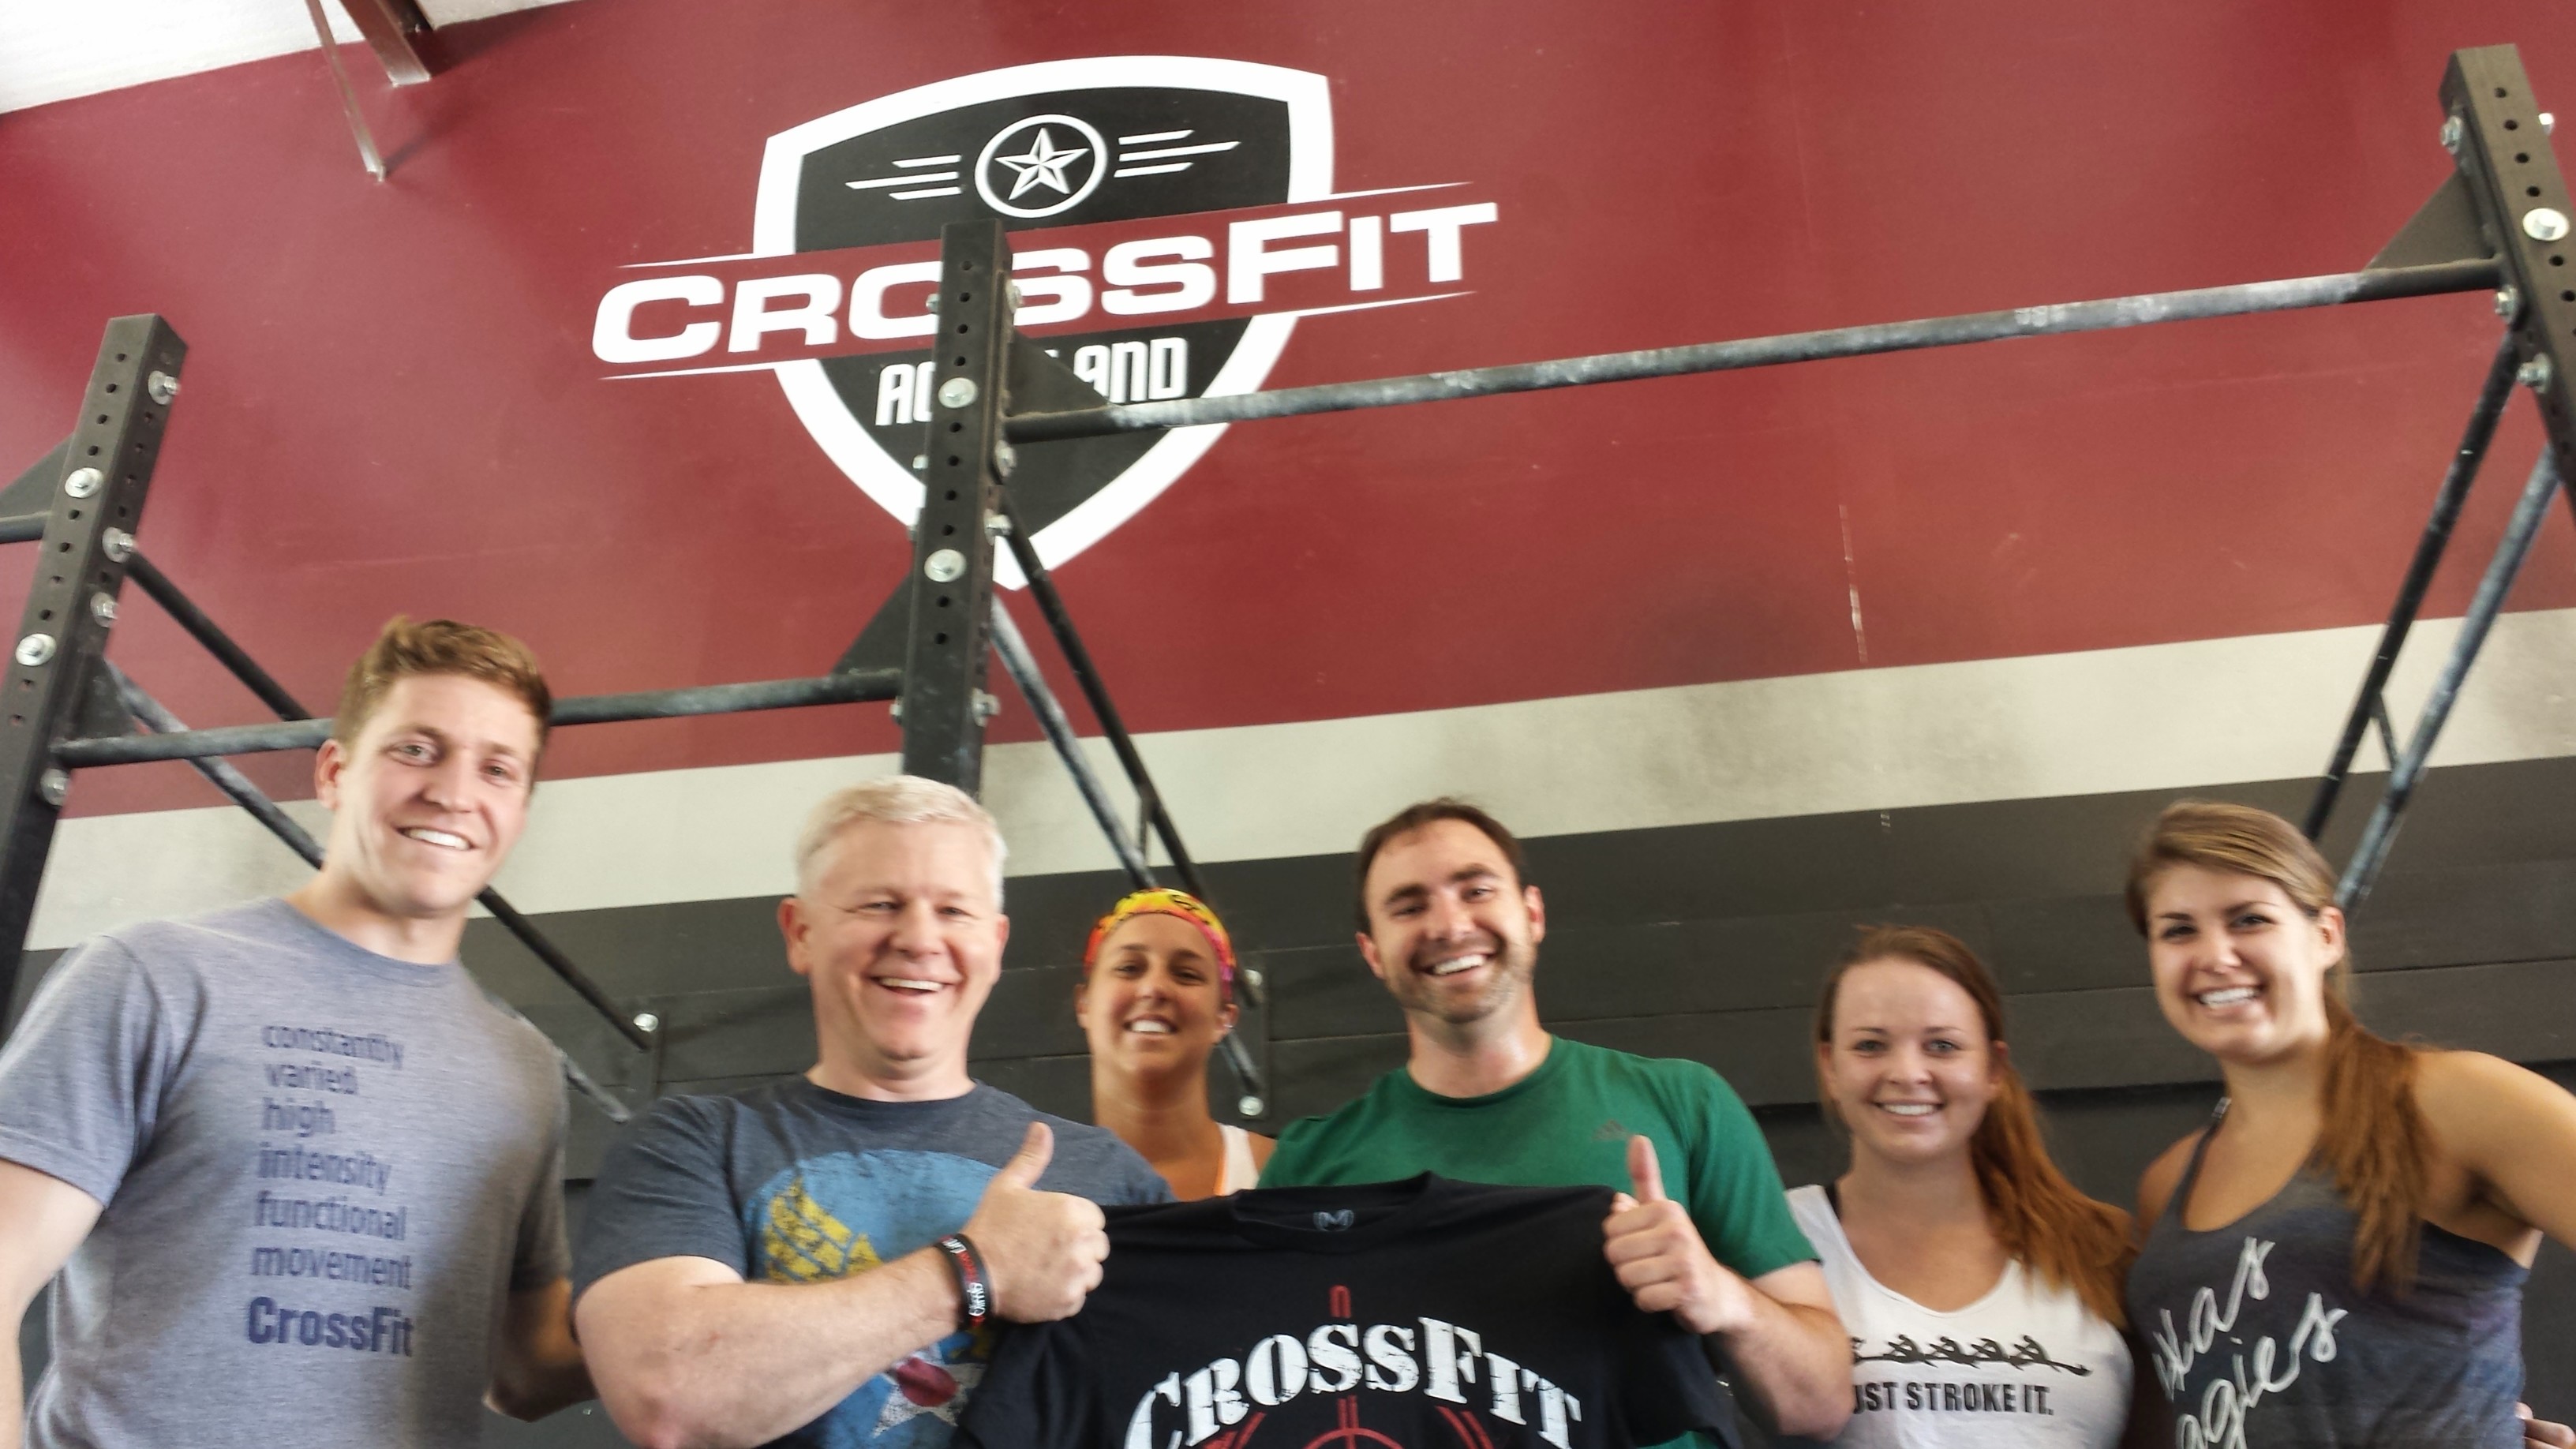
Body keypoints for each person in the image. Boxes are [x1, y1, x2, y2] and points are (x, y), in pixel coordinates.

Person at [0, 617, 592, 1449]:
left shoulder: (523, 1069)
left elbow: (524, 1371)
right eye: (417, 750)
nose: (454, 793)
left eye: (497, 769)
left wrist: (734, 1306)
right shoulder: (158, 978)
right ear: (335, 772)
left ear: (519, 810)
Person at [572, 775, 1169, 1449]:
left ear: (996, 944)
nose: (919, 939)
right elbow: (672, 1396)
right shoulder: (690, 1145)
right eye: (881, 904)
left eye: (954, 911)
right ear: (801, 932)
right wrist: (974, 1271)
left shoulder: (1114, 1179)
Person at [1260, 798, 1855, 1441]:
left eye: (1476, 890)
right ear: (1373, 952)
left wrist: (1720, 1295)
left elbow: (1820, 1403)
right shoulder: (1310, 1164)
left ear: (1533, 914)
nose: (1450, 925)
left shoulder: (1685, 1103)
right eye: (1409, 907)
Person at [2125, 800, 2576, 1449]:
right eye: (2178, 931)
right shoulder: (2167, 1183)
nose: (2216, 955)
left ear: (2326, 935)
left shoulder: (2455, 1102)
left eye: (2249, 919)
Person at [1796, 925, 2134, 1449]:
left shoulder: (2099, 1247)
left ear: (1993, 1069)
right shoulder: (1774, 1239)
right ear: (1830, 1067)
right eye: (1870, 1045)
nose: (1907, 1072)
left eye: (1942, 1046)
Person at [1076, 886, 1271, 1198]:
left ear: (1223, 1018)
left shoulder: (1277, 1172)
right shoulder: (1035, 1183)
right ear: (1084, 1004)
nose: (1154, 988)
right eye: (1129, 968)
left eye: (1186, 974)